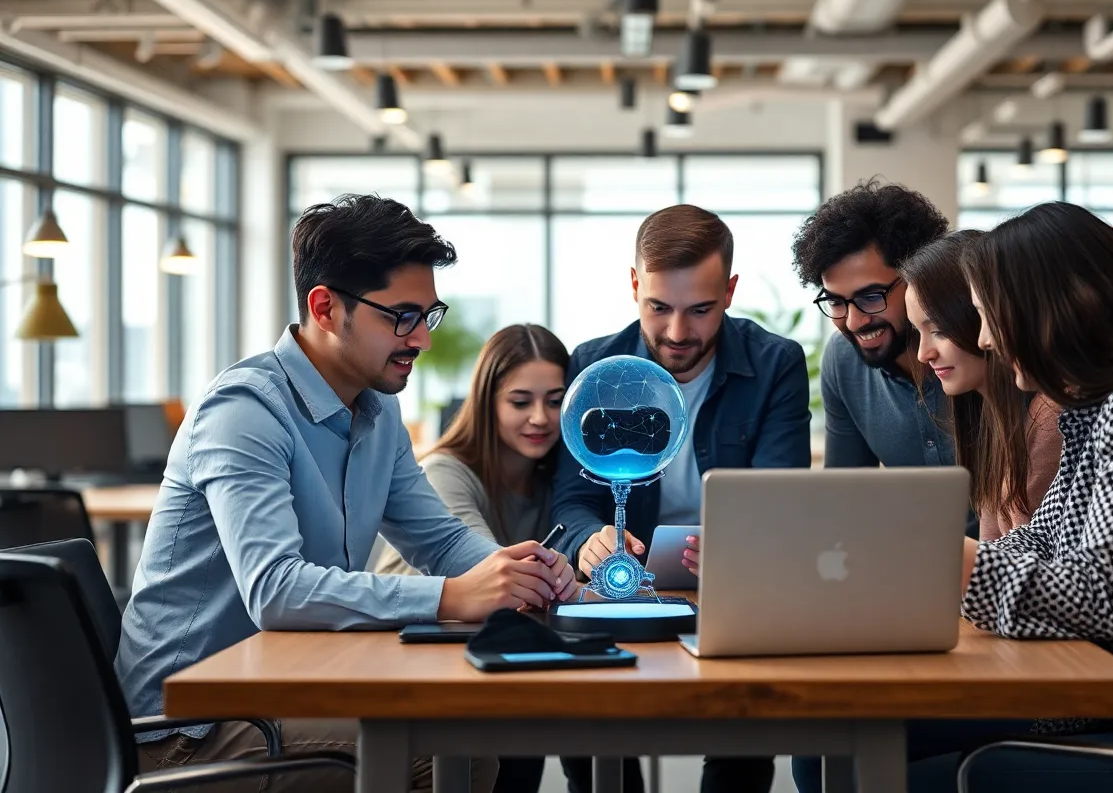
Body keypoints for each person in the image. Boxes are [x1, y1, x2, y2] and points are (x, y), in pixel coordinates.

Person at [116, 194, 578, 793]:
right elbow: (275, 589)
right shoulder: (245, 411)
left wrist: (519, 571)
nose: (422, 339)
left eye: (428, 315)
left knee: (465, 737)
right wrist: (452, 597)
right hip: (185, 729)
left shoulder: (377, 409)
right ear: (326, 307)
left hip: (284, 687)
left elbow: (438, 539)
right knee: (446, 751)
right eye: (401, 316)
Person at [798, 201, 1113, 793]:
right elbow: (1040, 540)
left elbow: (1098, 597)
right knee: (832, 742)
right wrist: (919, 557)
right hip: (1084, 695)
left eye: (989, 316)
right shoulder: (1096, 409)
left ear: (1047, 308)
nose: (987, 337)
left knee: (872, 761)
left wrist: (950, 560)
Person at [549, 203, 811, 793]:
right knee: (592, 737)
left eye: (701, 310)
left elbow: (778, 501)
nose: (676, 333)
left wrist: (741, 547)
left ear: (731, 290)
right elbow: (569, 500)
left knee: (742, 737)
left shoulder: (775, 364)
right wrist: (589, 536)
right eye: (658, 307)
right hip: (623, 591)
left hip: (734, 593)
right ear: (634, 285)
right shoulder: (592, 366)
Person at [374, 323, 572, 793]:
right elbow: (491, 576)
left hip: (495, 658)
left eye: (555, 400)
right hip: (410, 660)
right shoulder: (446, 470)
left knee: (588, 728)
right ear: (487, 402)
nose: (541, 418)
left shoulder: (559, 482)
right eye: (520, 401)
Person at [900, 230, 1062, 540]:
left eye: (938, 330)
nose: (923, 354)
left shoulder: (1048, 420)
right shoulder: (994, 415)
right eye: (917, 332)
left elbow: (1029, 567)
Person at [791, 179, 957, 475]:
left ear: (917, 280)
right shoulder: (843, 360)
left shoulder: (978, 347)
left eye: (870, 297)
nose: (854, 322)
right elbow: (847, 494)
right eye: (836, 301)